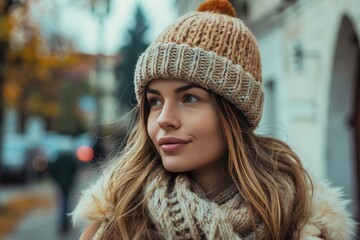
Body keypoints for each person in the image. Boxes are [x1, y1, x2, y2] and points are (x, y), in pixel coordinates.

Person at [72, 0, 355, 239]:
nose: (164, 120)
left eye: (190, 98)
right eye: (155, 102)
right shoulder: (117, 222)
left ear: (235, 111)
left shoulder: (300, 223)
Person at [49, 150, 79, 235]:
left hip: (61, 184)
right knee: (68, 203)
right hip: (69, 184)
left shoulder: (58, 159)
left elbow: (52, 168)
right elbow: (75, 168)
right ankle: (68, 222)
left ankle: (63, 224)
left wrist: (56, 179)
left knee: (62, 204)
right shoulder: (71, 159)